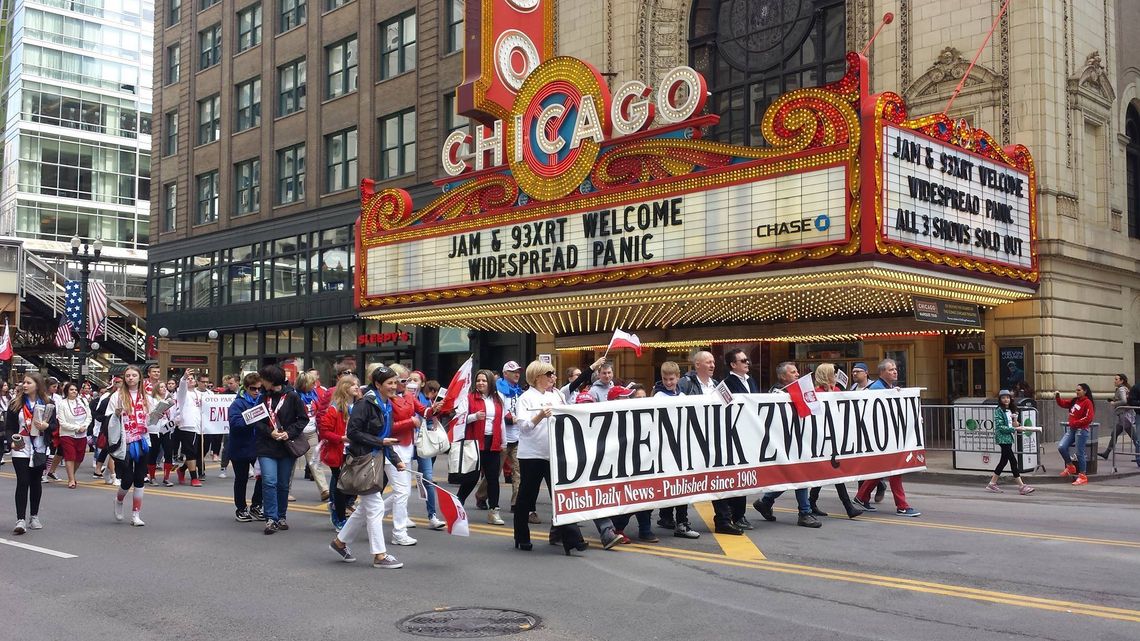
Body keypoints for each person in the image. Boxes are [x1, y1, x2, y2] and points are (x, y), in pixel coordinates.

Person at [328, 365, 406, 568]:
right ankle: (380, 555)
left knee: (365, 508)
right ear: (378, 384)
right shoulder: (366, 403)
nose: (394, 386)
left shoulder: (387, 404)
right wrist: (381, 444)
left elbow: (385, 437)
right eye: (389, 383)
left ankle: (339, 542)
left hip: (376, 460)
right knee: (375, 506)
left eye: (395, 382)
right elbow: (353, 433)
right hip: (363, 461)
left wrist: (395, 459)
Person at [514, 360, 588, 554]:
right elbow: (523, 427)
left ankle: (573, 538)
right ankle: (521, 535)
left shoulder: (555, 395)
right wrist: (539, 416)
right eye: (549, 374)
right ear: (538, 377)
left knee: (561, 495)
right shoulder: (526, 398)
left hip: (554, 453)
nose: (552, 377)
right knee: (526, 496)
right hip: (532, 454)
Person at [754, 361, 822, 528]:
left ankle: (766, 502)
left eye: (797, 371)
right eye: (793, 372)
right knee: (799, 475)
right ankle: (804, 513)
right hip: (783, 440)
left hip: (797, 439)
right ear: (783, 376)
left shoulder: (797, 391)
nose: (797, 374)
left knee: (793, 476)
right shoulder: (776, 393)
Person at [852, 359, 922, 516]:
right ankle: (902, 505)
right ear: (882, 372)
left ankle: (861, 497)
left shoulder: (889, 388)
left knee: (882, 469)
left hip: (888, 437)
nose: (895, 371)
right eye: (891, 369)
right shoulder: (875, 389)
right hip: (881, 438)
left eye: (895, 369)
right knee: (895, 470)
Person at [254, 364, 308, 533]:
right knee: (269, 481)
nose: (261, 382)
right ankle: (271, 518)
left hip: (286, 446)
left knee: (283, 484)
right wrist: (271, 433)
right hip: (266, 445)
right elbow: (256, 420)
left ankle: (281, 516)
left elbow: (302, 419)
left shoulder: (292, 396)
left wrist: (288, 433)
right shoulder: (262, 397)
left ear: (271, 380)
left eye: (263, 379)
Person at [806, 364, 863, 518]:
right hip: (821, 437)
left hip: (834, 437)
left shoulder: (837, 391)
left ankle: (812, 502)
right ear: (827, 375)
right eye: (834, 373)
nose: (836, 376)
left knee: (827, 472)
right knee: (833, 471)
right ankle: (848, 507)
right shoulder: (816, 393)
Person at [382, 363, 430, 545]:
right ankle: (399, 533)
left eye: (407, 380)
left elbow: (424, 410)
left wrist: (440, 405)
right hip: (392, 448)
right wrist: (410, 422)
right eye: (402, 380)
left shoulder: (409, 395)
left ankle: (372, 514)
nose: (405, 383)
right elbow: (386, 428)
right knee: (402, 492)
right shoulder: (385, 399)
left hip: (407, 447)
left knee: (402, 492)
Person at [653, 359, 700, 539]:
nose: (668, 382)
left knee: (682, 487)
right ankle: (677, 521)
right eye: (665, 379)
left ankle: (680, 520)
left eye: (671, 379)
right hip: (667, 448)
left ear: (678, 378)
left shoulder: (681, 396)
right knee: (674, 486)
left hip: (682, 448)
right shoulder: (659, 397)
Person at [5, 373, 58, 534]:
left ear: (37, 384)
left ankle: (34, 516)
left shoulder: (49, 403)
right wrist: (11, 442)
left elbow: (54, 425)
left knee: (35, 482)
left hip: (40, 447)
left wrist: (46, 426)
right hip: (22, 447)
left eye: (28, 382)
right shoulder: (16, 404)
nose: (24, 385)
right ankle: (20, 519)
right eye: (24, 383)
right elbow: (9, 427)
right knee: (23, 481)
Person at [106, 366, 154, 526]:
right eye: (128, 376)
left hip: (143, 440)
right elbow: (108, 419)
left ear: (140, 378)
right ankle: (119, 500)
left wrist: (157, 416)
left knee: (140, 477)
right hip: (125, 442)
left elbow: (152, 421)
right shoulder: (117, 396)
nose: (131, 378)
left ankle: (136, 514)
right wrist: (116, 414)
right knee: (127, 479)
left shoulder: (146, 397)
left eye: (134, 375)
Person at [458, 370, 507, 525]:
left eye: (484, 381)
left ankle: (494, 511)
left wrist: (504, 442)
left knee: (493, 479)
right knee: (471, 478)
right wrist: (473, 417)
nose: (480, 383)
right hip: (474, 442)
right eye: (478, 380)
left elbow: (501, 423)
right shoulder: (469, 398)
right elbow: (459, 418)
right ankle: (458, 504)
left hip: (493, 442)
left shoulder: (498, 399)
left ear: (490, 382)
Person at [478, 361, 524, 517]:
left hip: (517, 437)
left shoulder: (519, 391)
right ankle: (481, 495)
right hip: (501, 438)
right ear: (505, 374)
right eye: (513, 372)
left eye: (518, 371)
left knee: (518, 472)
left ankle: (516, 503)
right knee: (494, 472)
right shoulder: (498, 391)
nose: (517, 374)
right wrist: (512, 419)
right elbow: (498, 413)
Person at [721, 348, 758, 531]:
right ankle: (734, 514)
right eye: (743, 361)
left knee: (744, 476)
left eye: (747, 360)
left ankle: (740, 514)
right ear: (733, 365)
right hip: (733, 435)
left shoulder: (751, 381)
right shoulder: (727, 383)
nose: (747, 363)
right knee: (735, 476)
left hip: (749, 434)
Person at [319, 375, 360, 530]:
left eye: (357, 385)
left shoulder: (356, 406)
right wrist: (341, 438)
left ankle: (338, 508)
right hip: (338, 452)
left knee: (348, 485)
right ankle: (339, 517)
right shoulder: (334, 408)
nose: (357, 387)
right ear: (344, 388)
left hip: (352, 452)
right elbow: (324, 431)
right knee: (341, 486)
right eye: (353, 385)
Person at [406, 369, 445, 530]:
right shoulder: (401, 398)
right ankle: (403, 515)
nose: (411, 382)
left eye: (416, 380)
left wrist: (433, 413)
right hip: (405, 444)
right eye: (409, 379)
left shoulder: (425, 400)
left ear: (422, 384)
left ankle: (432, 516)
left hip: (422, 444)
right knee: (403, 482)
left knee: (427, 478)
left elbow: (430, 419)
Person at [227, 373, 265, 522]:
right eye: (253, 389)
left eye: (259, 389)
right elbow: (235, 424)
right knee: (241, 479)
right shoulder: (238, 403)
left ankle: (256, 505)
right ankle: (241, 508)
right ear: (246, 388)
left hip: (259, 446)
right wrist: (252, 418)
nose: (256, 391)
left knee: (263, 477)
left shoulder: (262, 400)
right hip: (241, 447)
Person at [987, 390, 1035, 494]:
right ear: (1000, 399)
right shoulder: (999, 410)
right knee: (1013, 461)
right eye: (1003, 398)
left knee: (1003, 461)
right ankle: (1021, 486)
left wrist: (1016, 423)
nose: (1006, 399)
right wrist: (1014, 429)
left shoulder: (1010, 410)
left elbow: (1014, 425)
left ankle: (992, 483)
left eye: (1007, 397)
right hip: (1002, 438)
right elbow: (1000, 427)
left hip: (1008, 438)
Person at [295, 372, 331, 502]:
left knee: (315, 461)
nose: (314, 385)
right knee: (291, 464)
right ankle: (285, 491)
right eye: (312, 383)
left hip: (311, 432)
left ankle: (324, 490)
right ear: (304, 384)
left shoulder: (314, 395)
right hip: (297, 434)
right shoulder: (294, 396)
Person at [1056, 383, 1095, 486]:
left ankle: (1082, 476)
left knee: (1079, 453)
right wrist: (1057, 397)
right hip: (1073, 429)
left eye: (1079, 390)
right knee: (1061, 447)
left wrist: (1076, 423)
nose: (1076, 392)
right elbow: (1063, 404)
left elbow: (1089, 418)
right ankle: (1070, 466)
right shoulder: (1075, 401)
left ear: (1085, 391)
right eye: (1076, 390)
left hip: (1081, 431)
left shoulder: (1087, 402)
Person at [174, 371, 208, 486]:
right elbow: (182, 386)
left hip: (200, 426)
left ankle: (182, 469)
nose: (191, 380)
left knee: (198, 452)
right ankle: (194, 477)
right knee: (191, 452)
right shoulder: (182, 393)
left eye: (192, 378)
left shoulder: (198, 393)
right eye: (188, 379)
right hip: (188, 426)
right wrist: (184, 377)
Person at [54, 382, 89, 489]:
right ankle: (71, 480)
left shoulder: (83, 401)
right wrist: (76, 428)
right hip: (67, 434)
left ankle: (72, 475)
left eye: (75, 390)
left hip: (82, 434)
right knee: (70, 456)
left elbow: (89, 416)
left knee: (79, 457)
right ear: (66, 391)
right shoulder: (62, 404)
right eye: (71, 390)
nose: (74, 392)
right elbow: (62, 422)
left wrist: (85, 426)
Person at [1099, 374, 1136, 460]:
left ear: (1122, 380)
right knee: (1115, 434)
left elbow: (1124, 400)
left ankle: (1138, 455)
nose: (1114, 381)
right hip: (1124, 416)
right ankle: (1106, 453)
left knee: (1134, 437)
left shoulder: (1121, 389)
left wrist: (1114, 403)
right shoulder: (1124, 388)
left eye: (1116, 379)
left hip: (1125, 416)